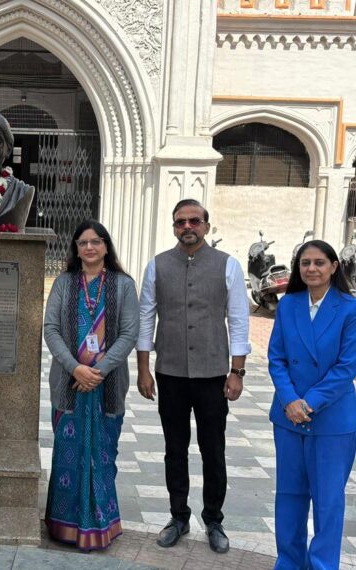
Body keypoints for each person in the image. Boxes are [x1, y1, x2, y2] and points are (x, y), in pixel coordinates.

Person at [136, 199, 250, 554]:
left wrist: (237, 372)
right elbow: (145, 318)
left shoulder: (227, 265)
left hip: (213, 374)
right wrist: (143, 368)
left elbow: (239, 320)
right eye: (180, 222)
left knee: (213, 449)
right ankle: (178, 516)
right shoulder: (157, 266)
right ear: (173, 227)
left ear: (206, 225)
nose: (188, 227)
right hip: (169, 372)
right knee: (174, 449)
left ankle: (214, 520)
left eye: (194, 221)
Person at [268, 240, 356, 570]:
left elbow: (347, 367)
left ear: (334, 267)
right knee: (290, 497)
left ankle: (323, 565)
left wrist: (307, 403)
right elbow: (276, 358)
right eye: (305, 263)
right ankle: (289, 562)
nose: (311, 269)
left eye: (319, 262)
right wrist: (290, 400)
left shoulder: (350, 309)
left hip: (332, 421)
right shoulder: (288, 305)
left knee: (328, 502)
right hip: (288, 417)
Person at [43, 219, 139, 550]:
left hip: (107, 388)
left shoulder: (124, 285)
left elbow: (129, 333)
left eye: (95, 241)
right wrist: (75, 369)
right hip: (68, 387)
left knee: (102, 457)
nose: (89, 247)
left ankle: (100, 526)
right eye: (82, 242)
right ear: (75, 249)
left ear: (106, 246)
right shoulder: (64, 283)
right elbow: (51, 329)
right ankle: (64, 526)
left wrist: (96, 371)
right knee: (67, 456)